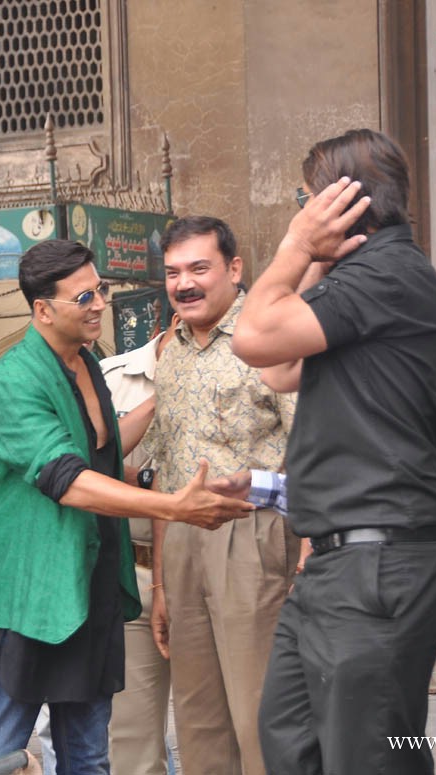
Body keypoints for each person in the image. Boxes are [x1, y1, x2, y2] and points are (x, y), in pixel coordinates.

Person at [0, 239, 256, 773]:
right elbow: (68, 480)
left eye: (100, 289)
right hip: (32, 595)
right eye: (84, 297)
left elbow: (101, 450)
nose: (100, 303)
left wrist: (166, 391)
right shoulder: (14, 379)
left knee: (89, 757)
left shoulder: (87, 364)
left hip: (90, 587)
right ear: (43, 310)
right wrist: (172, 506)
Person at [230, 128, 436, 775]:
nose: (302, 211)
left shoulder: (386, 277)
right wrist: (319, 257)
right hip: (344, 562)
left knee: (366, 759)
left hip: (379, 564)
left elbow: (252, 337)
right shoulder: (366, 282)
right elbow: (278, 369)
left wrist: (297, 245)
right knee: (290, 738)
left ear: (341, 203)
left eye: (306, 199)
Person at [140, 216, 297, 775]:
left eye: (199, 269)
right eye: (173, 272)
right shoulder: (171, 354)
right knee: (198, 715)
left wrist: (308, 551)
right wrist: (162, 581)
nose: (184, 284)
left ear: (234, 269)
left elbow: (310, 449)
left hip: (254, 534)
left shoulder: (269, 335)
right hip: (184, 541)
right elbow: (165, 473)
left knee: (260, 710)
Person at [99, 326, 177, 775]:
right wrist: (149, 482)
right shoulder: (111, 377)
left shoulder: (248, 368)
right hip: (133, 572)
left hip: (213, 563)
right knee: (130, 743)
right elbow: (87, 463)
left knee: (221, 728)